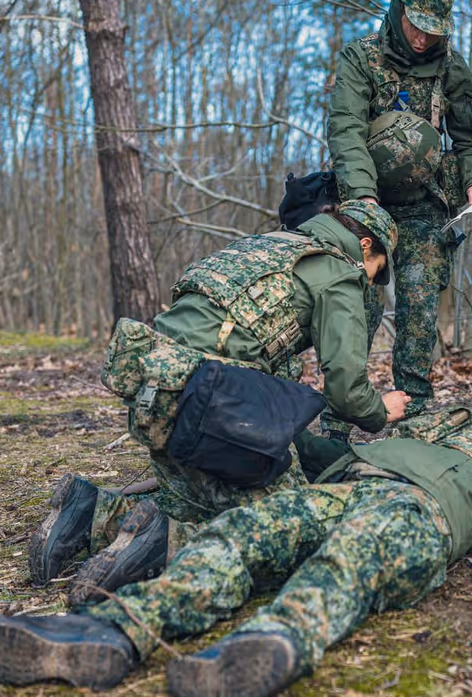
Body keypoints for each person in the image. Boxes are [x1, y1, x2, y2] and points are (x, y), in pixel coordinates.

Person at [0, 390, 472, 696]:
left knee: (352, 557)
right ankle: (112, 631)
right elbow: (330, 446)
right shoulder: (431, 422)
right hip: (346, 487)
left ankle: (269, 646)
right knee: (240, 533)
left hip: (417, 515)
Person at [28, 200, 413, 606]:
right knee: (287, 528)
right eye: (377, 269)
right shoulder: (339, 272)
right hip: (210, 405)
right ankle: (161, 544)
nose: (373, 283)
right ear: (365, 245)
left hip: (154, 397)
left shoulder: (268, 246)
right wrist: (379, 409)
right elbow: (347, 390)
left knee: (193, 503)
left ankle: (87, 510)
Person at [322, 0, 472, 439]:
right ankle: (338, 421)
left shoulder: (450, 65)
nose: (422, 38)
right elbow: (347, 129)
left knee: (419, 306)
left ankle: (414, 416)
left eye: (432, 31)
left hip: (424, 203)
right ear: (400, 13)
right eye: (416, 27)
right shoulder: (361, 56)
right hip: (368, 205)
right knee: (358, 307)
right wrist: (362, 197)